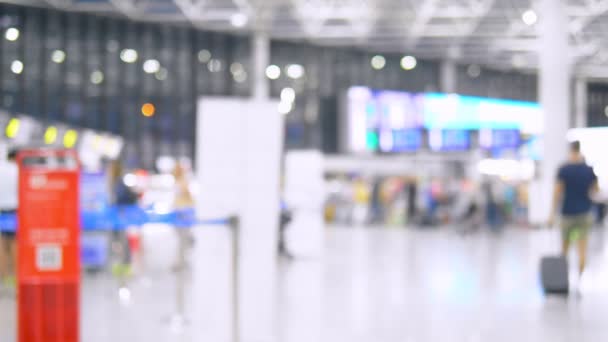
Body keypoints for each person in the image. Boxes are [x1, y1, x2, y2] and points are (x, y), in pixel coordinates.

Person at [550, 141, 599, 276]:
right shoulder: (589, 170)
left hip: (567, 214)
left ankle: (563, 279)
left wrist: (551, 214)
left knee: (565, 248)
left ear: (570, 151)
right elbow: (595, 190)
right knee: (582, 249)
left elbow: (557, 193)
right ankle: (579, 279)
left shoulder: (564, 169)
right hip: (584, 214)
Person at [0, 148, 18, 291]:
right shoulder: (17, 171)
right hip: (13, 212)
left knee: (1, 245)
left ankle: (3, 277)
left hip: (1, 211)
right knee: (13, 245)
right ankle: (14, 277)